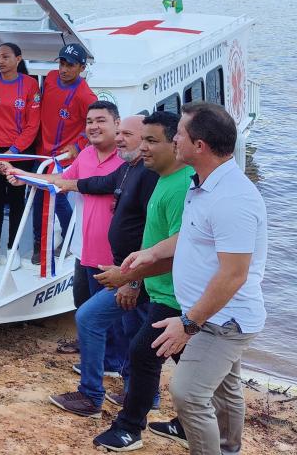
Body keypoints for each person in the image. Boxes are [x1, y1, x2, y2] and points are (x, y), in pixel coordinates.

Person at [145, 103, 266, 455]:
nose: (174, 139)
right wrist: (153, 253)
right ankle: (228, 449)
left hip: (224, 319)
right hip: (209, 314)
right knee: (225, 389)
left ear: (200, 146)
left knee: (188, 394)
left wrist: (188, 323)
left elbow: (234, 274)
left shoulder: (233, 199)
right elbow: (195, 236)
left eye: (180, 134)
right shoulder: (203, 184)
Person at [31, 115, 160, 418]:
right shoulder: (127, 169)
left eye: (127, 134)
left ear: (146, 139)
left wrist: (133, 281)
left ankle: (94, 397)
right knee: (132, 329)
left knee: (96, 319)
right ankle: (138, 392)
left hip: (138, 276)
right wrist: (26, 174)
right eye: (121, 134)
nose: (119, 139)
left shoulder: (151, 176)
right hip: (127, 271)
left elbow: (156, 234)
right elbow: (85, 183)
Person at [89, 111, 194, 451]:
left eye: (151, 141)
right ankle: (187, 422)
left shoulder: (181, 186)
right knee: (189, 362)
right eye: (143, 139)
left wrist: (129, 277)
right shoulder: (161, 177)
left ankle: (129, 428)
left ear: (175, 144)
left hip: (176, 294)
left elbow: (182, 248)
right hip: (159, 286)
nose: (143, 148)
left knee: (143, 354)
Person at [0, 43, 40, 271]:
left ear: (18, 58)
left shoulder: (30, 85)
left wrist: (12, 153)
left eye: (5, 57)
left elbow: (33, 125)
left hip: (18, 154)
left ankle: (12, 250)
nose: (0, 61)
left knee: (15, 202)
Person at [32, 43, 97, 265]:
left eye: (70, 65)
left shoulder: (86, 96)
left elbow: (95, 125)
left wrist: (78, 147)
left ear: (81, 67)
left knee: (54, 198)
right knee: (37, 197)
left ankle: (69, 238)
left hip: (62, 156)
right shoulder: (49, 78)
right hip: (42, 150)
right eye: (61, 63)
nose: (64, 69)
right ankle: (38, 243)